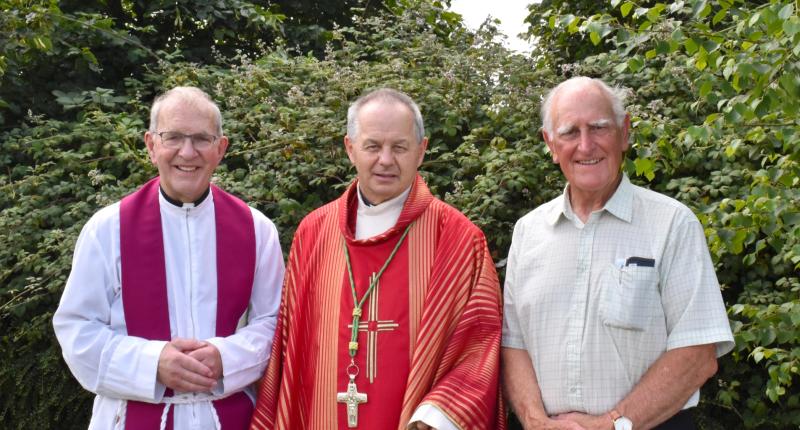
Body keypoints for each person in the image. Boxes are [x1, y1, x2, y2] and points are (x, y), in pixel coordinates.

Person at [251, 88, 504, 430]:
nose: (386, 160)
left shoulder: (458, 239)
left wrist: (436, 417)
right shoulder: (314, 232)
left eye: (399, 147)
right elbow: (290, 350)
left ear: (421, 151)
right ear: (350, 149)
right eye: (373, 146)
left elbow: (479, 345)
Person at [501, 76, 735, 430]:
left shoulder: (672, 224)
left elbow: (697, 354)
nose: (585, 145)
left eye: (599, 128)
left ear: (624, 132)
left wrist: (612, 424)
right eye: (569, 132)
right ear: (550, 143)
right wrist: (535, 422)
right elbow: (513, 343)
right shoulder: (528, 231)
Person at [53, 86, 284, 430]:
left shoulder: (257, 230)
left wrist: (225, 358)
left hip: (228, 415)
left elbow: (275, 322)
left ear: (221, 149)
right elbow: (77, 329)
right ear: (151, 145)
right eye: (173, 137)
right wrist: (152, 364)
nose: (187, 152)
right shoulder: (107, 229)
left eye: (202, 139)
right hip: (131, 415)